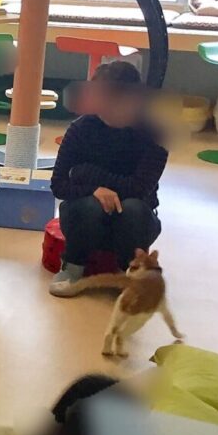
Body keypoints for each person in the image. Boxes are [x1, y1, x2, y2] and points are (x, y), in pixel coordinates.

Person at [48, 60, 168, 297]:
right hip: (85, 221)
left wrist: (85, 173)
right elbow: (58, 185)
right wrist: (94, 189)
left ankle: (129, 275)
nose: (103, 109)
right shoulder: (81, 129)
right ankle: (73, 268)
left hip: (134, 222)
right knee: (88, 206)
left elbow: (139, 188)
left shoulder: (154, 134)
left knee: (133, 208)